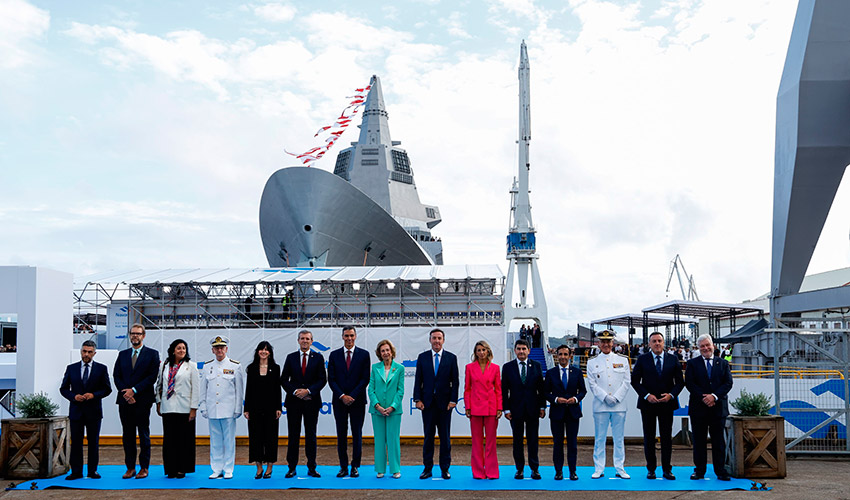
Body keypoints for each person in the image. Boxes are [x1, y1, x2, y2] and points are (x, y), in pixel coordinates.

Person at [630, 332, 685, 480]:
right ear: (649, 344)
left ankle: (667, 469)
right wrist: (647, 395)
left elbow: (680, 382)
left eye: (659, 341)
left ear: (663, 343)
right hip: (648, 404)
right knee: (649, 437)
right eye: (654, 341)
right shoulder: (642, 359)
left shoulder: (673, 359)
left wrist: (671, 395)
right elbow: (635, 381)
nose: (657, 343)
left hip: (667, 404)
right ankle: (651, 469)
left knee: (666, 437)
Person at [113, 323, 160, 479]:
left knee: (143, 435)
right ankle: (130, 468)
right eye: (133, 333)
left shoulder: (152, 354)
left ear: (143, 336)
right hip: (124, 401)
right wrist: (126, 393)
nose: (135, 336)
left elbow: (151, 377)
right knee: (128, 436)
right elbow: (116, 376)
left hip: (142, 401)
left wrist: (134, 390)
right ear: (129, 335)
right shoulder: (122, 354)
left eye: (138, 334)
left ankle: (144, 468)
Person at [60, 340, 112, 480]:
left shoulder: (101, 368)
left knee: (93, 442)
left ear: (94, 353)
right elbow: (63, 389)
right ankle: (76, 472)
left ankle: (92, 471)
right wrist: (73, 396)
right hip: (76, 412)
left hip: (94, 412)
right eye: (84, 351)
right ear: (80, 351)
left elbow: (107, 389)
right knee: (76, 442)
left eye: (89, 352)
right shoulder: (71, 368)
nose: (86, 354)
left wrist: (94, 395)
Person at [412, 328, 459, 480]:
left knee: (445, 438)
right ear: (430, 340)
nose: (437, 341)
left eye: (439, 338)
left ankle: (445, 469)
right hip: (427, 405)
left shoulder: (451, 358)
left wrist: (453, 401)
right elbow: (418, 380)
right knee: (428, 438)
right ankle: (427, 468)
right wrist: (417, 399)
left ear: (443, 340)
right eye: (434, 338)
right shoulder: (423, 357)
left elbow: (455, 382)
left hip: (445, 406)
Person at [686, 333, 733, 481]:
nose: (705, 348)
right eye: (702, 346)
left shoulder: (723, 363)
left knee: (719, 441)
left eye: (708, 345)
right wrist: (705, 397)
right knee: (699, 441)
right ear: (698, 348)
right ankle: (699, 470)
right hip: (699, 408)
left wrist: (714, 396)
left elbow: (728, 383)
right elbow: (690, 383)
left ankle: (720, 470)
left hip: (718, 408)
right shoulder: (693, 364)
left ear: (713, 346)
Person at [281, 329, 327, 478]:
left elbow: (322, 380)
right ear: (298, 341)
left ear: (312, 341)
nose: (305, 341)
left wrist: (308, 391)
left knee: (311, 436)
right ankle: (291, 467)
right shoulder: (291, 357)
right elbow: (283, 379)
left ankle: (312, 467)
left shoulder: (318, 358)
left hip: (311, 403)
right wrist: (295, 392)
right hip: (294, 403)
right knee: (293, 436)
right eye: (302, 338)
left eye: (307, 339)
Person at [586, 329, 631, 479]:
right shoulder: (592, 362)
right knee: (600, 439)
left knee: (619, 439)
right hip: (601, 405)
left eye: (608, 341)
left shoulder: (623, 360)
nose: (606, 344)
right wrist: (605, 397)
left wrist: (616, 398)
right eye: (603, 342)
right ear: (598, 344)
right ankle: (599, 468)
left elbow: (626, 382)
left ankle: (620, 468)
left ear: (613, 343)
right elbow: (592, 384)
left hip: (619, 406)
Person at [327, 325, 371, 478]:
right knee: (341, 434)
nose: (349, 338)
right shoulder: (334, 355)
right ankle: (343, 466)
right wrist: (342, 396)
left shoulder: (364, 355)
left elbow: (365, 378)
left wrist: (352, 395)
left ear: (355, 336)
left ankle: (355, 466)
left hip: (357, 401)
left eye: (351, 335)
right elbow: (331, 379)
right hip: (339, 402)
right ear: (342, 337)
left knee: (357, 434)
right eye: (346, 336)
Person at [199, 336, 244, 479]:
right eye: (217, 348)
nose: (219, 350)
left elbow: (239, 390)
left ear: (226, 349)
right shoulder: (207, 367)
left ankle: (229, 469)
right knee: (215, 441)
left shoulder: (235, 366)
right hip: (213, 409)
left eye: (222, 347)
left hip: (229, 410)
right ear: (212, 350)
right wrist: (203, 406)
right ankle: (216, 469)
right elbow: (203, 389)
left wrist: (238, 408)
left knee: (229, 441)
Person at [154, 338, 199, 479]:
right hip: (168, 407)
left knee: (184, 441)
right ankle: (171, 469)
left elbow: (196, 389)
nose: (181, 350)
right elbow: (159, 385)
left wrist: (194, 408)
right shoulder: (164, 365)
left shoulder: (191, 366)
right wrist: (158, 402)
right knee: (169, 441)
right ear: (173, 350)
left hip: (185, 409)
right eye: (179, 348)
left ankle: (182, 468)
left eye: (184, 348)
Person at [502, 338, 546, 480]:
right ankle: (519, 469)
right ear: (515, 350)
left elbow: (541, 389)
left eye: (524, 349)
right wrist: (506, 409)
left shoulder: (537, 365)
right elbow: (504, 391)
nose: (521, 351)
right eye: (519, 349)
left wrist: (542, 406)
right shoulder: (508, 367)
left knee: (533, 441)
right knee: (517, 441)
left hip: (533, 410)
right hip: (515, 411)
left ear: (529, 350)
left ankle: (535, 469)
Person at [545, 345, 586, 481]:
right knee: (557, 443)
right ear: (556, 356)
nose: (563, 357)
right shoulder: (551, 373)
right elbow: (545, 392)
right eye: (560, 354)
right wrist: (556, 399)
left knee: (572, 444)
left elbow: (583, 391)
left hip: (573, 413)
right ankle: (558, 471)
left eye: (565, 354)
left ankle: (573, 471)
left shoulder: (577, 372)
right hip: (557, 413)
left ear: (570, 356)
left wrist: (575, 399)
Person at [464, 340, 502, 479]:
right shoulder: (469, 368)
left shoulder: (495, 368)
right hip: (475, 408)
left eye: (483, 350)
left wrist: (499, 408)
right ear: (475, 353)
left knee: (491, 442)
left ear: (488, 351)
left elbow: (498, 389)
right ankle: (478, 472)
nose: (481, 353)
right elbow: (467, 389)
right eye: (478, 350)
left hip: (491, 408)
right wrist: (467, 406)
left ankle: (492, 471)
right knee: (476, 442)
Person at [244, 340, 282, 479]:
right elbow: (248, 389)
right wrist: (246, 408)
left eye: (266, 349)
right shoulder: (251, 368)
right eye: (261, 349)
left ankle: (270, 467)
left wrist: (278, 407)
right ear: (257, 351)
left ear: (270, 352)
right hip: (254, 409)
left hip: (271, 409)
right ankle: (259, 468)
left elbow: (277, 389)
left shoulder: (276, 368)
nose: (264, 352)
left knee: (271, 438)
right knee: (256, 438)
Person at [368, 339, 405, 479]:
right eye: (382, 350)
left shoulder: (400, 368)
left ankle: (395, 469)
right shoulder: (375, 368)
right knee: (379, 440)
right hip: (377, 410)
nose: (385, 353)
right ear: (379, 353)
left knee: (393, 439)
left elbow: (400, 391)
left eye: (387, 350)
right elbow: (370, 389)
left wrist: (392, 407)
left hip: (394, 411)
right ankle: (380, 469)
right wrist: (377, 405)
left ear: (392, 351)